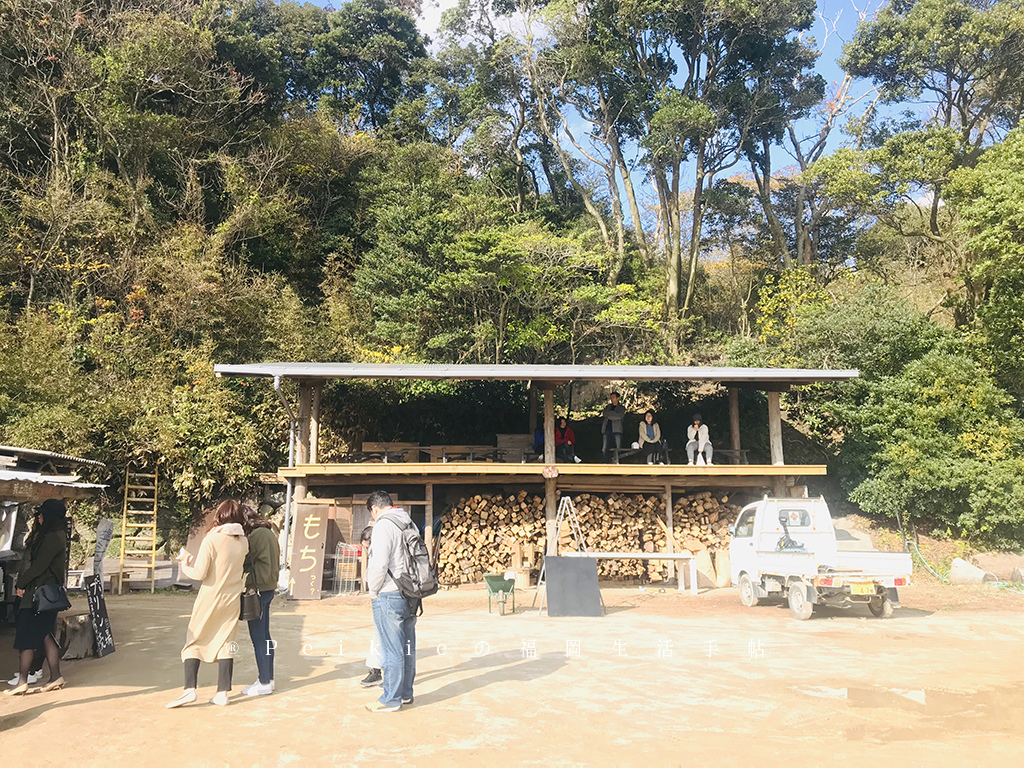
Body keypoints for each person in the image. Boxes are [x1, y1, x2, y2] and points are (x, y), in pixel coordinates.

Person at [167, 500, 248, 708]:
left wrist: (184, 563)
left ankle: (189, 690)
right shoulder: (243, 541)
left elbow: (200, 573)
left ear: (220, 515)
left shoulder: (212, 539)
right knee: (225, 642)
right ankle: (222, 694)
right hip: (232, 598)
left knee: (195, 640)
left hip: (211, 596)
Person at [6, 499, 67, 695]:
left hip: (38, 595)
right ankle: (55, 676)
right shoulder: (55, 535)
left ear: (49, 516)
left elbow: (39, 567)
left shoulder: (52, 537)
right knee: (45, 636)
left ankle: (23, 680)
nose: (38, 516)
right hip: (44, 594)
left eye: (41, 513)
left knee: (25, 637)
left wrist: (21, 583)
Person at [364, 490, 416, 712]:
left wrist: (372, 589)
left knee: (391, 648)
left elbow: (379, 563)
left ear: (375, 509)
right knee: (407, 647)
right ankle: (405, 693)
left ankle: (390, 699)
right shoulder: (408, 522)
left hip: (389, 592)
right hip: (411, 592)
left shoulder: (383, 526)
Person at [241, 507, 280, 697]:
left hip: (257, 589)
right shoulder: (268, 532)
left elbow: (243, 557)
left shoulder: (255, 536)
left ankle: (264, 681)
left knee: (258, 637)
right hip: (268, 587)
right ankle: (268, 678)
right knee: (265, 635)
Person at [359, 524, 384, 689]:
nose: (366, 550)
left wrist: (373, 590)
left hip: (385, 596)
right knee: (380, 635)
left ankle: (380, 673)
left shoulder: (380, 549)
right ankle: (376, 670)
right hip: (386, 596)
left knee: (383, 635)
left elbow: (377, 572)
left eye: (365, 546)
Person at [601, 392, 626, 462]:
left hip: (617, 430)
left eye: (613, 397)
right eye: (611, 397)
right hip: (607, 429)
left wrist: (609, 415)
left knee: (618, 447)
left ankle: (618, 462)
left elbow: (619, 416)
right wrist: (613, 415)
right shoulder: (608, 407)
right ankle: (605, 462)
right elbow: (605, 413)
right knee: (605, 447)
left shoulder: (621, 408)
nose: (611, 399)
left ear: (617, 398)